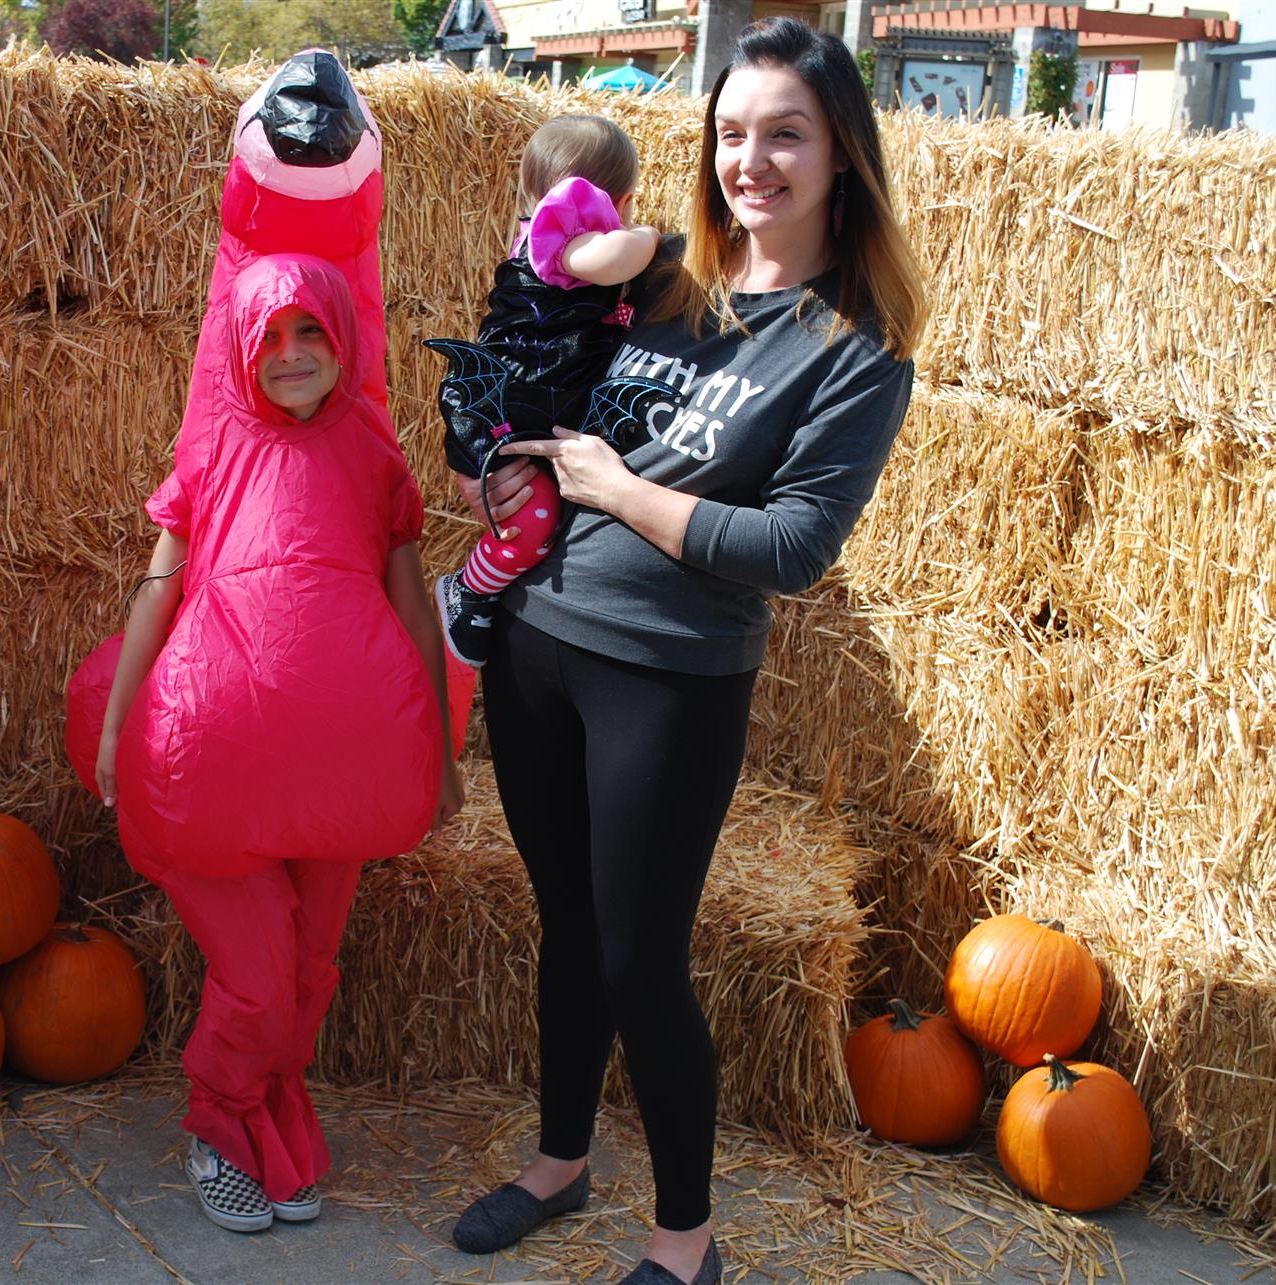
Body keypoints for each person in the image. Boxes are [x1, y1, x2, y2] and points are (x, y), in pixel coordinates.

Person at [446, 19, 929, 1285]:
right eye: (730, 133)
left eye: (785, 134)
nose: (750, 161)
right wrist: (515, 460)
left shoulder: (855, 351)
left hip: (666, 674)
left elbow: (791, 545)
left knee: (639, 958)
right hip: (538, 642)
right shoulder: (669, 287)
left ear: (841, 156)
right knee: (566, 925)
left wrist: (613, 491)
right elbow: (556, 386)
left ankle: (686, 1241)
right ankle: (558, 1165)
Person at [95, 253, 464, 1235]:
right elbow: (156, 590)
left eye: (311, 331)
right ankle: (218, 1124)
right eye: (269, 336)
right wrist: (115, 719)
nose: (291, 353)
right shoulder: (212, 450)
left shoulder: (374, 457)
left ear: (344, 340)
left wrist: (442, 749)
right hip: (215, 764)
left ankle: (274, 1125)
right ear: (241, 351)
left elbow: (413, 615)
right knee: (258, 980)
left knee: (306, 971)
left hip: (338, 766)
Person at [429, 114, 664, 669]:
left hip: (537, 404)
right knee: (532, 523)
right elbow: (614, 259)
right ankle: (471, 589)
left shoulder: (551, 240)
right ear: (614, 201)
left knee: (546, 517)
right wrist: (649, 237)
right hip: (514, 407)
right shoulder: (562, 236)